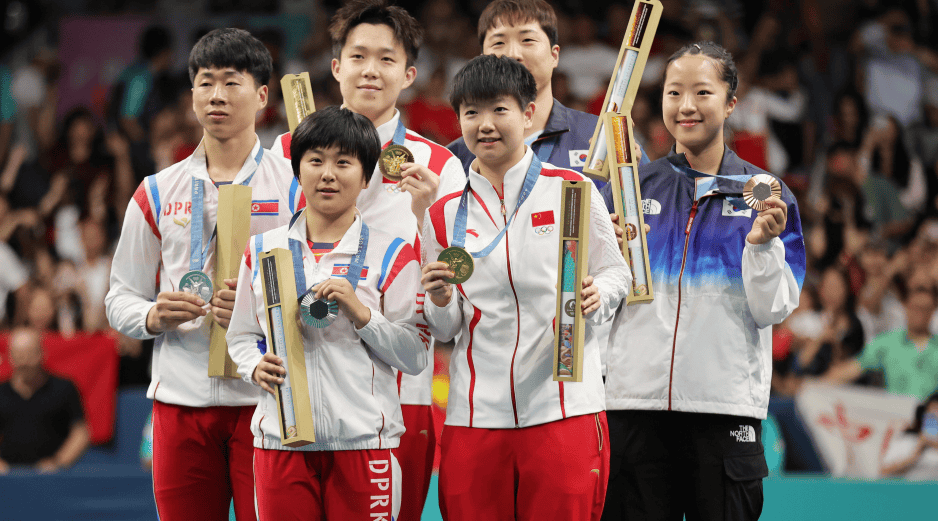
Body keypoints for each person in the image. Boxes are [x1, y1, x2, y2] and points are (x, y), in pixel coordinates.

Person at [270, 2, 465, 517]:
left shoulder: (440, 166)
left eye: (386, 58)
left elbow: (453, 304)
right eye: (358, 56)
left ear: (409, 74)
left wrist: (427, 215)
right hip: (302, 392)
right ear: (336, 67)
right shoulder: (287, 153)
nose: (370, 70)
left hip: (405, 395)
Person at [601, 41, 806, 521]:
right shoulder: (629, 189)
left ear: (731, 102)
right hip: (634, 406)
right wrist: (601, 253)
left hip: (724, 411)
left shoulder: (768, 197)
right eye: (674, 93)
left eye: (702, 92)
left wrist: (760, 246)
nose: (686, 106)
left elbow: (773, 308)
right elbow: (595, 302)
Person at [421, 54, 629, 520]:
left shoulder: (571, 191)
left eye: (499, 109)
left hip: (564, 406)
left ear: (528, 113)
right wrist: (439, 298)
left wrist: (601, 294)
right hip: (475, 415)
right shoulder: (443, 214)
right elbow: (447, 327)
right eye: (471, 113)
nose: (485, 125)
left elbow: (618, 273)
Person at [105, 28, 301, 521]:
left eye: (232, 82)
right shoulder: (155, 191)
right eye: (205, 82)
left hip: (268, 399)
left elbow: (319, 287)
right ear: (190, 94)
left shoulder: (298, 186)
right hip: (180, 402)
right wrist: (152, 315)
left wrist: (258, 310)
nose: (216, 95)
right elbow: (119, 298)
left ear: (262, 95)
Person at [227, 106, 429, 520]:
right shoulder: (263, 249)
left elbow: (415, 354)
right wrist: (253, 366)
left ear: (366, 175)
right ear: (298, 170)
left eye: (344, 162)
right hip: (280, 443)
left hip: (363, 446)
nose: (328, 174)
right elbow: (241, 337)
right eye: (315, 160)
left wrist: (363, 315)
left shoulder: (392, 254)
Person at [446, 0, 600, 176]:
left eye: (527, 40)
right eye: (498, 43)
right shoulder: (453, 160)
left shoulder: (597, 138)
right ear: (482, 59)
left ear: (554, 55)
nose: (513, 54)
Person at [825, 276, 938, 401]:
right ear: (905, 307)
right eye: (915, 307)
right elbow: (850, 370)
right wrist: (809, 386)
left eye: (925, 309)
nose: (919, 314)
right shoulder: (888, 343)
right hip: (895, 416)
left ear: (933, 311)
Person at [0, 327, 89, 474]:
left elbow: (80, 433)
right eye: (18, 355)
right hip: (8, 477)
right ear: (10, 356)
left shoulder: (63, 388)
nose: (24, 361)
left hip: (53, 476)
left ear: (42, 353)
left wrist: (59, 462)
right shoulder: (1, 392)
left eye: (29, 354)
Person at [880, 392, 938, 480]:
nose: (936, 417)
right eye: (933, 412)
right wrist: (914, 455)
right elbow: (884, 472)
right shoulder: (907, 441)